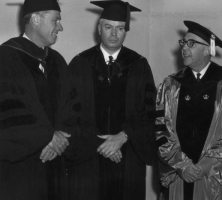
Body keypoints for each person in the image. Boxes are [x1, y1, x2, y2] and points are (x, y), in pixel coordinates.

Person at [63, 1, 157, 199]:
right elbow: (69, 115)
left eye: (120, 28)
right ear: (99, 28)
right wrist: (101, 143)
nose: (114, 34)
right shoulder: (79, 64)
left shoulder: (139, 65)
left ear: (125, 31)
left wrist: (123, 136)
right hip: (88, 156)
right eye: (108, 27)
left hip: (128, 154)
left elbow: (149, 112)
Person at [155, 20, 222, 200]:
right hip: (179, 173)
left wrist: (205, 165)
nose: (184, 48)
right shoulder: (170, 85)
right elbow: (160, 128)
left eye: (191, 43)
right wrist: (182, 165)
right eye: (183, 42)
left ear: (208, 49)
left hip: (213, 175)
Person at [0, 0, 70, 200]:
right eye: (55, 20)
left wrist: (61, 140)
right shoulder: (4, 59)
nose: (61, 27)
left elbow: (72, 111)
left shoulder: (58, 62)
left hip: (56, 167)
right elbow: (7, 118)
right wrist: (47, 137)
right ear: (36, 19)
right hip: (20, 171)